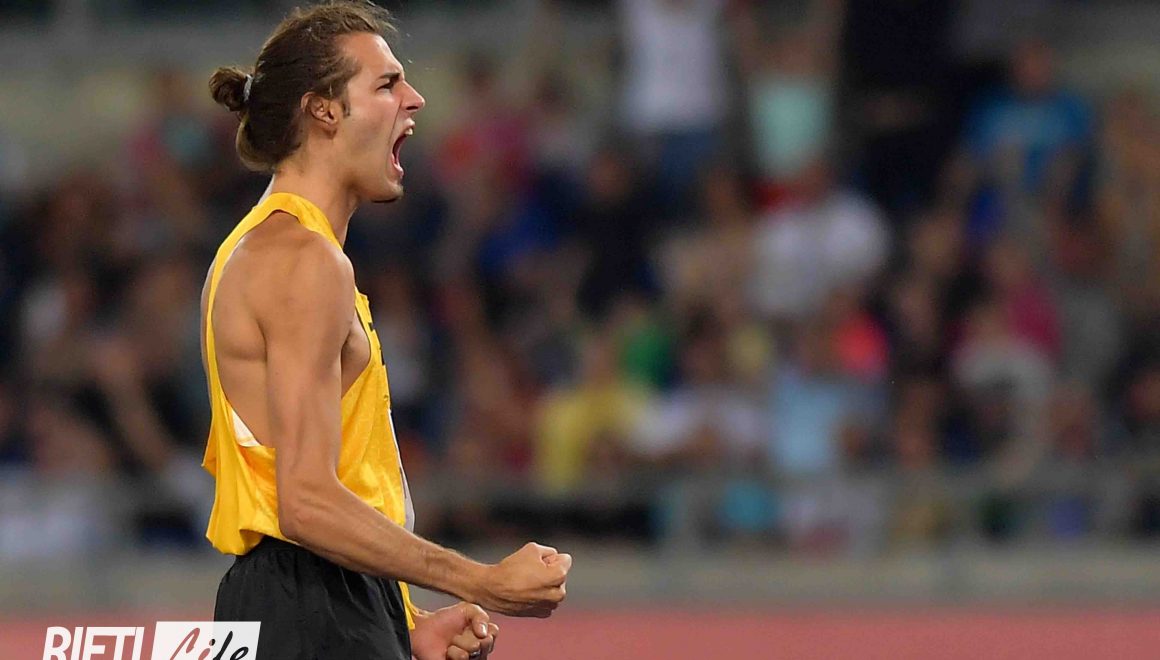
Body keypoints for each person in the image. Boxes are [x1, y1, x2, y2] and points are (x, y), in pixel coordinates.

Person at [200, 2, 571, 659]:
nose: (414, 98)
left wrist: (403, 621)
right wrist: (481, 580)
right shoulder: (301, 259)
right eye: (387, 83)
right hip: (308, 608)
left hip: (313, 602)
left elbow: (318, 484)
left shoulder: (273, 248)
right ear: (324, 110)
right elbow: (305, 502)